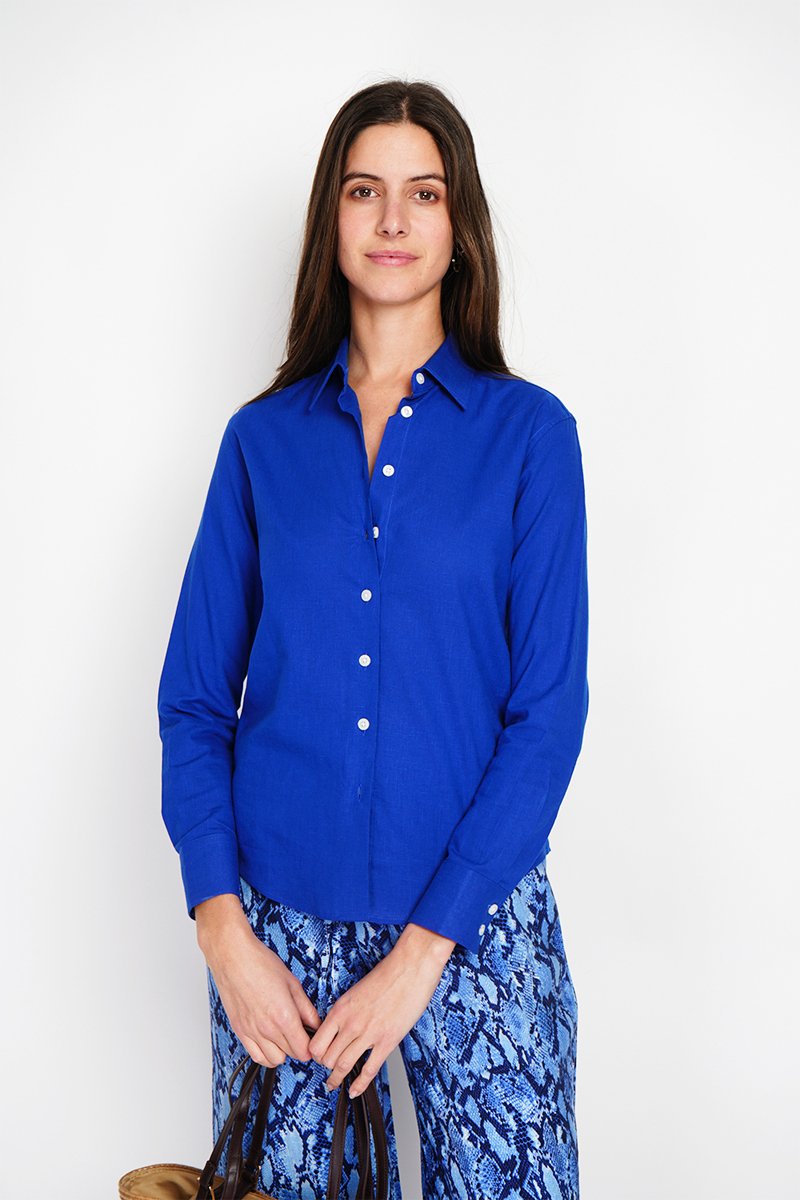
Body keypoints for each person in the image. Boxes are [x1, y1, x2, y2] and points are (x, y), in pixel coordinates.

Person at [157, 78, 589, 1200]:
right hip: (279, 943)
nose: (393, 219)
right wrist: (222, 933)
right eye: (364, 191)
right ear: (332, 219)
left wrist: (422, 952)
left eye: (423, 193)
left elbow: (547, 715)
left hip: (477, 923)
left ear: (458, 226)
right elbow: (194, 702)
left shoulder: (531, 438)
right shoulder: (260, 443)